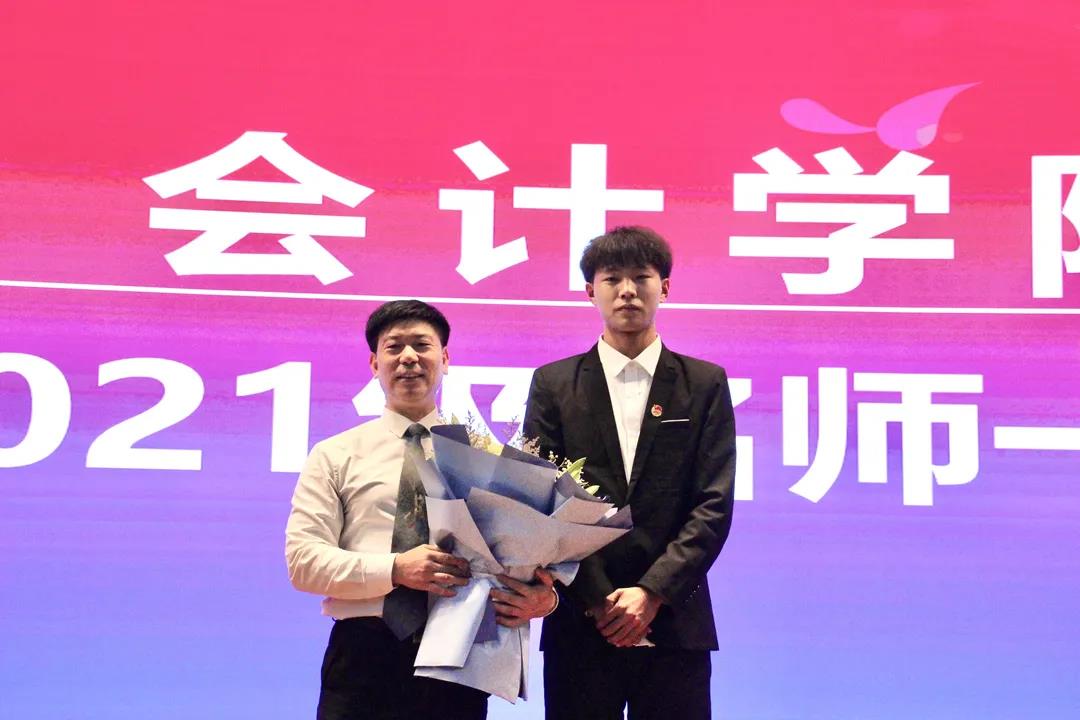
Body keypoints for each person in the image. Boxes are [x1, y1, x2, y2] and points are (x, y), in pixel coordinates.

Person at [286, 300, 557, 720]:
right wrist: (396, 569)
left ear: (445, 359)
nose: (409, 357)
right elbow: (303, 562)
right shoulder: (335, 454)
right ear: (374, 364)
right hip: (363, 654)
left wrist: (545, 599)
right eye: (394, 347)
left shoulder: (486, 457)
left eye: (422, 345)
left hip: (459, 657)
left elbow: (526, 559)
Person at [523, 226, 736, 720]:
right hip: (581, 621)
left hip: (675, 621)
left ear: (665, 287)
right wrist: (600, 599)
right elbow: (543, 496)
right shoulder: (554, 383)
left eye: (641, 277)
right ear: (589, 291)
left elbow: (713, 502)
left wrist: (652, 592)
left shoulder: (704, 383)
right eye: (611, 279)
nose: (627, 291)